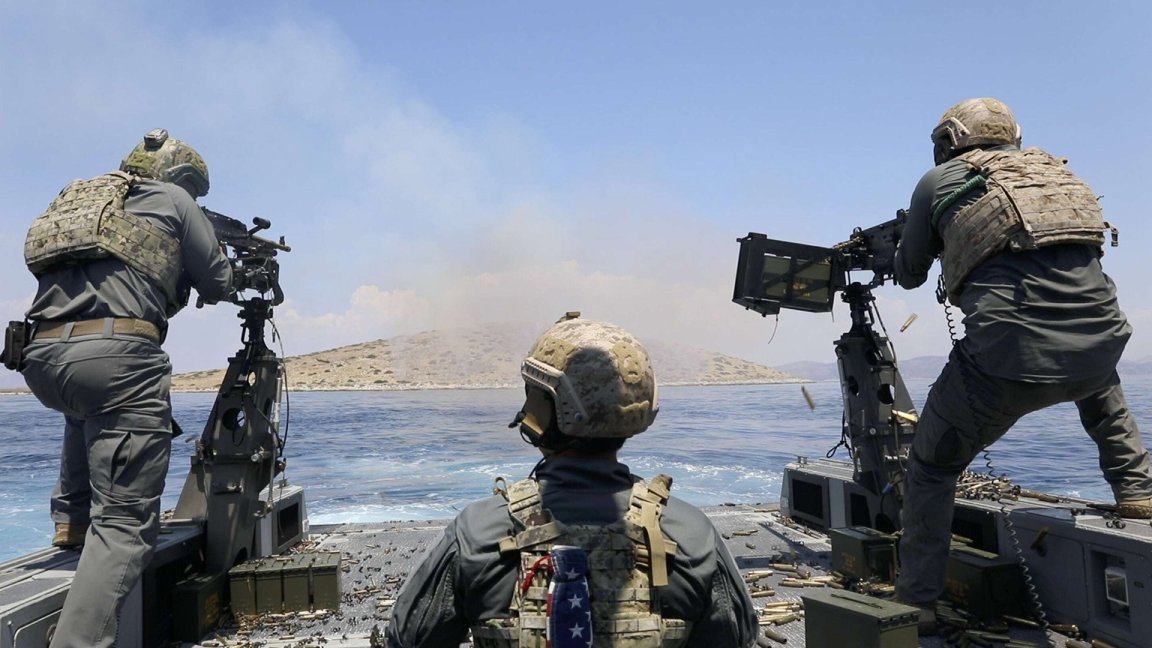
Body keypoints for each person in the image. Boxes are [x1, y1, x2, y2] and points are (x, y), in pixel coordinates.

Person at [892, 97, 1152, 632]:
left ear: (950, 140)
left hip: (1004, 361)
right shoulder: (1057, 174)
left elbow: (910, 272)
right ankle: (1137, 491)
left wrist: (908, 244)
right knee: (1096, 377)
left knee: (932, 467)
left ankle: (918, 602)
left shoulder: (938, 181)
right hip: (1103, 340)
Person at [385, 314, 757, 648]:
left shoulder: (478, 531)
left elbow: (407, 639)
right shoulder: (691, 534)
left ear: (545, 407)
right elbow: (734, 637)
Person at [19, 128, 233, 648]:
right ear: (178, 176)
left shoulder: (84, 198)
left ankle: (71, 519)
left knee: (87, 405)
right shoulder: (174, 199)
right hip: (114, 360)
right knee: (124, 525)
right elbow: (219, 282)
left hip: (40, 359)